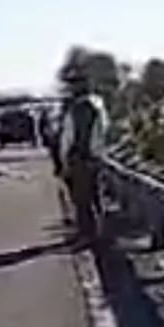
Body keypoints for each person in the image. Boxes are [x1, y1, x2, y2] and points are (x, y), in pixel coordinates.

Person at [58, 71, 109, 244]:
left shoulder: (77, 109)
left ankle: (87, 234)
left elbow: (68, 137)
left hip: (80, 157)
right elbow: (103, 133)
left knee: (82, 199)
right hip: (96, 157)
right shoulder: (99, 105)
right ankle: (99, 233)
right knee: (95, 197)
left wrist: (64, 160)